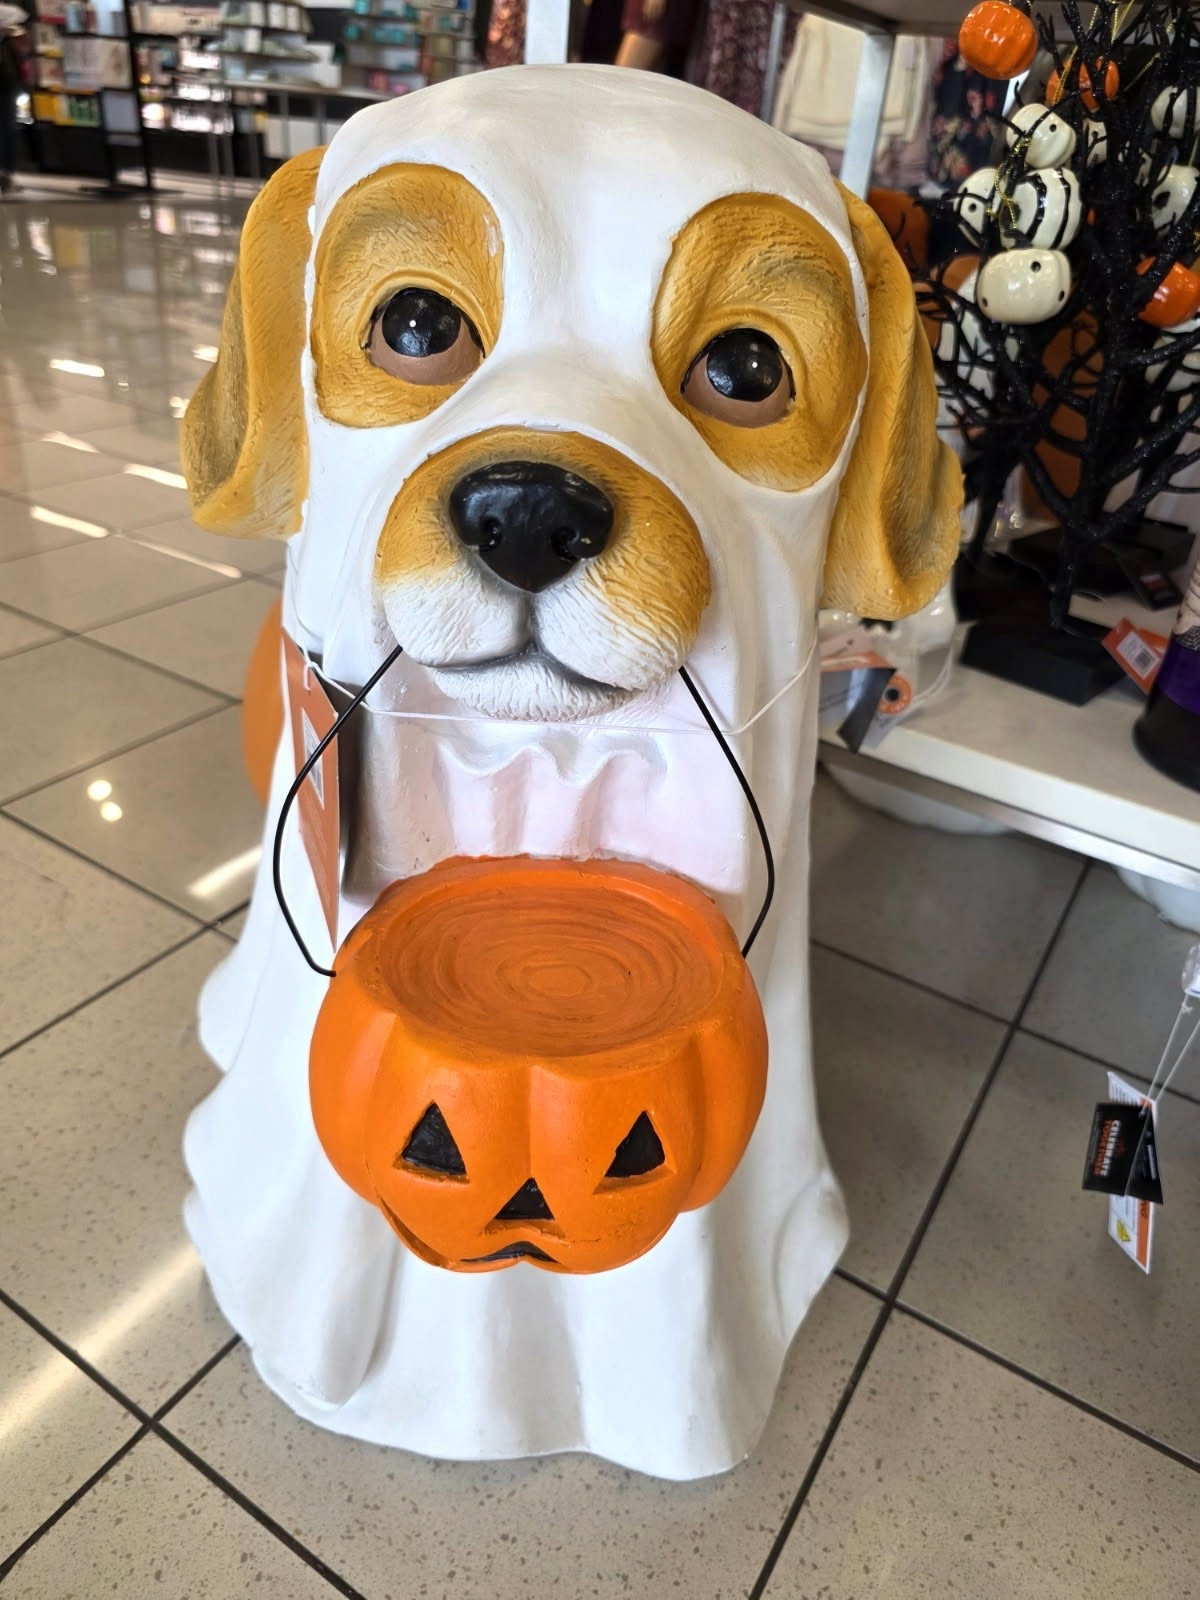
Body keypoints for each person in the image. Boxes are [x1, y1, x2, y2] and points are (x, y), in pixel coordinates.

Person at [0, 2, 26, 194]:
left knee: (8, 128)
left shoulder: (11, 14)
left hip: (6, 81)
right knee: (7, 127)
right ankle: (6, 175)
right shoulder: (12, 15)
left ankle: (6, 175)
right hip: (6, 80)